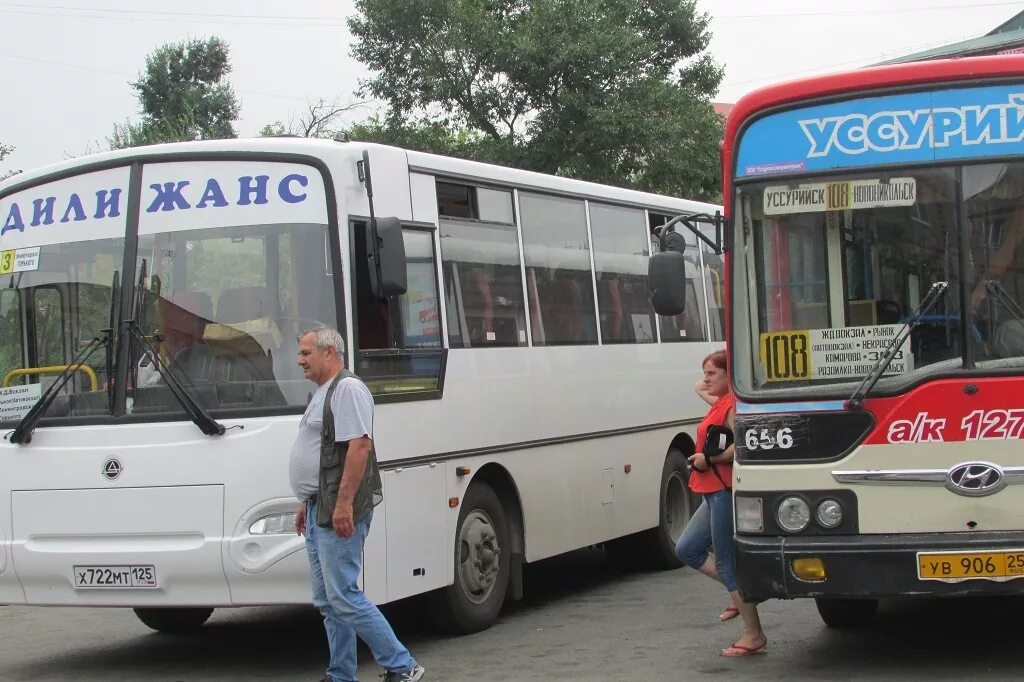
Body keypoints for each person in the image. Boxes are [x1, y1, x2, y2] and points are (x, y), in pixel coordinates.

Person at [290, 326, 425, 682]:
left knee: (343, 596)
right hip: (320, 508)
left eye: (306, 353)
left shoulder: (347, 389)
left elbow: (359, 447)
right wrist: (307, 501)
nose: (299, 360)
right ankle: (340, 675)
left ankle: (403, 666)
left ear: (329, 353)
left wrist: (343, 505)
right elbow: (322, 455)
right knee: (329, 602)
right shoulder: (323, 392)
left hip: (336, 511)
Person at [675, 349, 767, 657]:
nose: (705, 379)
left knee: (727, 561)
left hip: (723, 489)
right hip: (710, 490)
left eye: (712, 373)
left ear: (730, 376)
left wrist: (708, 458)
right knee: (687, 548)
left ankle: (753, 634)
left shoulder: (732, 408)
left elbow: (743, 446)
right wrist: (713, 377)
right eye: (705, 373)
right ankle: (740, 593)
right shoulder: (721, 402)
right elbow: (698, 387)